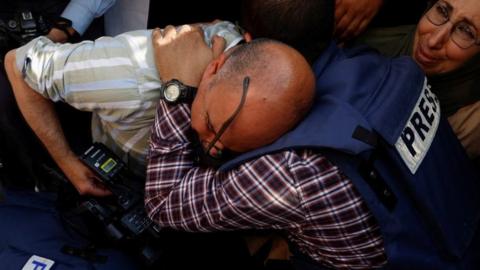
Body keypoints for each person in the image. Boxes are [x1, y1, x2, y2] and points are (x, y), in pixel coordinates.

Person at [145, 0, 480, 269]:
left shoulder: (294, 171)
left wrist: (178, 90)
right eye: (442, 11)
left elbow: (163, 204)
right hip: (460, 228)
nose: (436, 38)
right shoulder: (385, 67)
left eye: (466, 31)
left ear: (248, 37)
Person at [3, 21, 245, 196]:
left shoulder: (232, 39)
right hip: (101, 160)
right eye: (211, 123)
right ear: (216, 67)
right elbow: (17, 62)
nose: (215, 148)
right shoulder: (133, 73)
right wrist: (67, 163)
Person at [351, 0, 480, 160]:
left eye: (465, 31)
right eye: (442, 11)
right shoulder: (368, 26)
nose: (434, 41)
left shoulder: (468, 125)